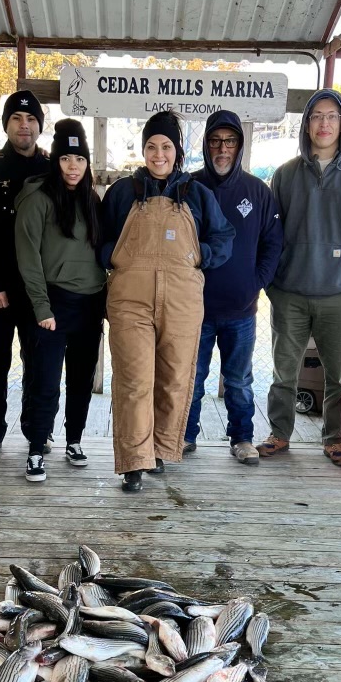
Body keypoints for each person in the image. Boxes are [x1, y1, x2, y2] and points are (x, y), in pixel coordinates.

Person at [101, 110, 235, 493]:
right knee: (134, 380)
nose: (158, 154)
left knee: (174, 379)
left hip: (181, 300)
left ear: (177, 151)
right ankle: (133, 462)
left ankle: (159, 450)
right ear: (143, 150)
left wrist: (201, 255)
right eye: (151, 146)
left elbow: (224, 237)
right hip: (130, 299)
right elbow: (100, 235)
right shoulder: (123, 192)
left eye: (166, 147)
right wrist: (114, 256)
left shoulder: (197, 194)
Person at [257, 88, 341, 468]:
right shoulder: (285, 175)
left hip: (339, 294)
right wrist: (272, 284)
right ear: (306, 124)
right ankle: (279, 432)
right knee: (284, 372)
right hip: (289, 293)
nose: (323, 123)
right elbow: (270, 234)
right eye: (316, 116)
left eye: (331, 116)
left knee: (337, 374)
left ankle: (334, 438)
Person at [186, 110, 283, 465]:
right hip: (194, 308)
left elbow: (273, 242)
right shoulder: (188, 187)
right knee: (191, 378)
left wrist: (256, 281)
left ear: (240, 145)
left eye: (229, 141)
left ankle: (241, 437)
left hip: (241, 310)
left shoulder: (257, 191)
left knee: (239, 380)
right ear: (205, 145)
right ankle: (184, 435)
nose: (222, 149)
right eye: (215, 141)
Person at [14, 119, 106, 483]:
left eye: (80, 159)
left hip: (90, 304)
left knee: (82, 379)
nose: (73, 166)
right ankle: (37, 448)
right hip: (53, 304)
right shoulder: (37, 199)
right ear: (56, 160)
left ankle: (74, 441)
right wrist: (42, 307)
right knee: (46, 381)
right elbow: (28, 259)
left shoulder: (91, 199)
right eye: (66, 158)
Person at [0, 90, 50, 458]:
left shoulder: (51, 168)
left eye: (31, 119)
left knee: (39, 363)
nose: (24, 125)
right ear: (6, 124)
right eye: (17, 118)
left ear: (40, 126)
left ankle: (37, 431)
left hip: (36, 288)